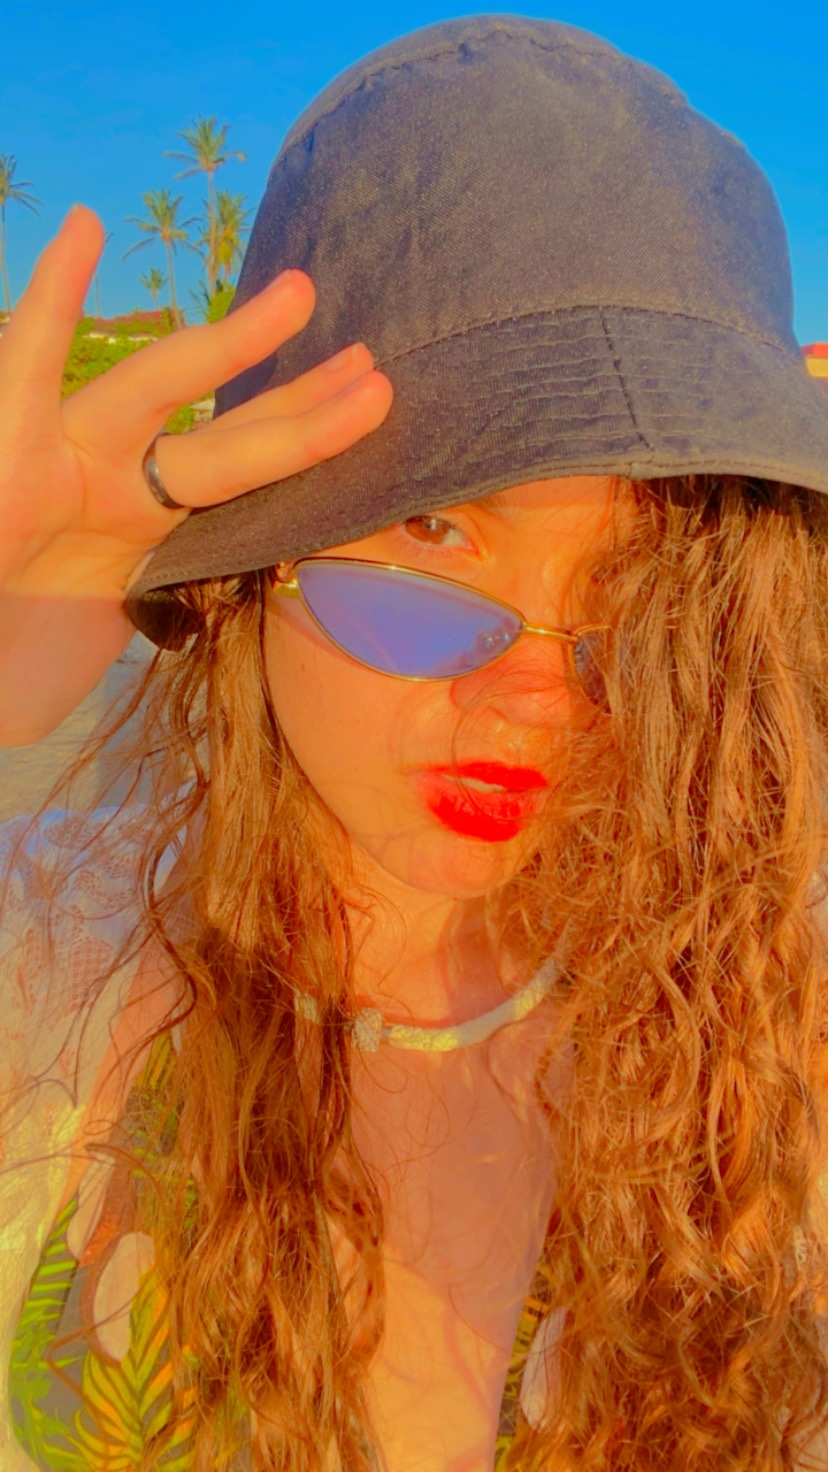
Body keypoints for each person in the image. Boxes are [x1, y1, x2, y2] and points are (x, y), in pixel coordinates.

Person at [2, 14, 828, 1471]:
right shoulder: (50, 959)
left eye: (640, 590)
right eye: (436, 528)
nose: (538, 696)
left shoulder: (770, 1010)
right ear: (264, 543)